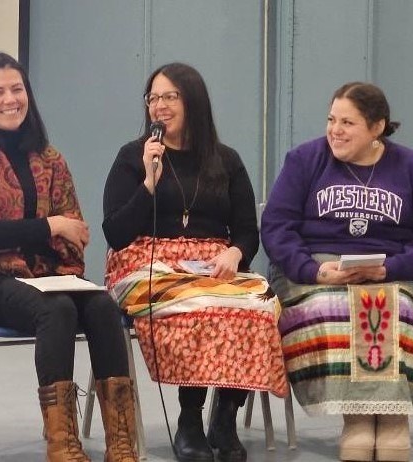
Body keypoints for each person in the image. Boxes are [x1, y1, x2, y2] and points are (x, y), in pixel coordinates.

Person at [0, 52, 138, 462]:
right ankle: (62, 445)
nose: (10, 99)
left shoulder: (51, 159)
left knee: (102, 305)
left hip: (47, 277)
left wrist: (24, 236)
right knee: (57, 311)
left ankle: (121, 442)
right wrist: (49, 227)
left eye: (17, 89)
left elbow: (75, 235)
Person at [261, 82, 413, 462]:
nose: (335, 130)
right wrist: (313, 271)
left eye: (348, 122)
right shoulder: (304, 161)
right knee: (333, 310)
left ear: (377, 127)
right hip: (316, 273)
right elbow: (276, 227)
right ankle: (357, 419)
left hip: (393, 273)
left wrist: (388, 268)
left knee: (387, 306)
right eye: (331, 119)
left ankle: (393, 417)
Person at [102, 62, 287, 462]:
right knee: (201, 307)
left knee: (257, 303)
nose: (159, 105)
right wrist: (149, 182)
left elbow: (245, 231)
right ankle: (189, 421)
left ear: (193, 102)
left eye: (170, 96)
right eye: (153, 97)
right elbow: (115, 232)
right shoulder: (132, 157)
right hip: (145, 260)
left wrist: (235, 253)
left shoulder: (226, 160)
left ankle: (225, 416)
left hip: (213, 261)